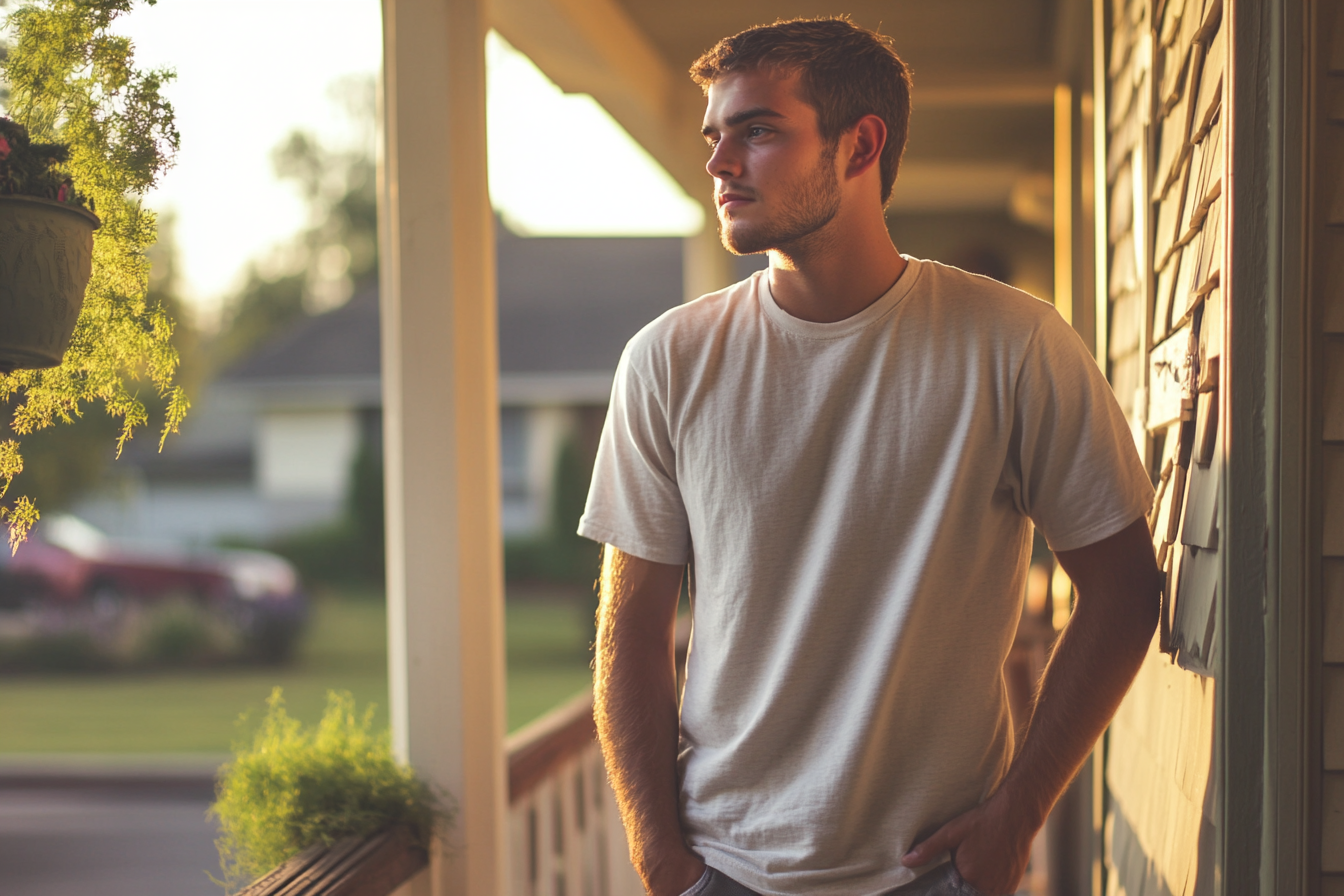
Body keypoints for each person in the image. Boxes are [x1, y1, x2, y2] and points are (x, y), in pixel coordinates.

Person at [578, 16, 1160, 896]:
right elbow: (629, 629)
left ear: (860, 146)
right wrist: (660, 856)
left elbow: (1123, 591)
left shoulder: (1013, 345)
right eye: (714, 136)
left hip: (933, 873)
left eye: (758, 130)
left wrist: (1017, 816)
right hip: (724, 869)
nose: (720, 164)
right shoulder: (668, 361)